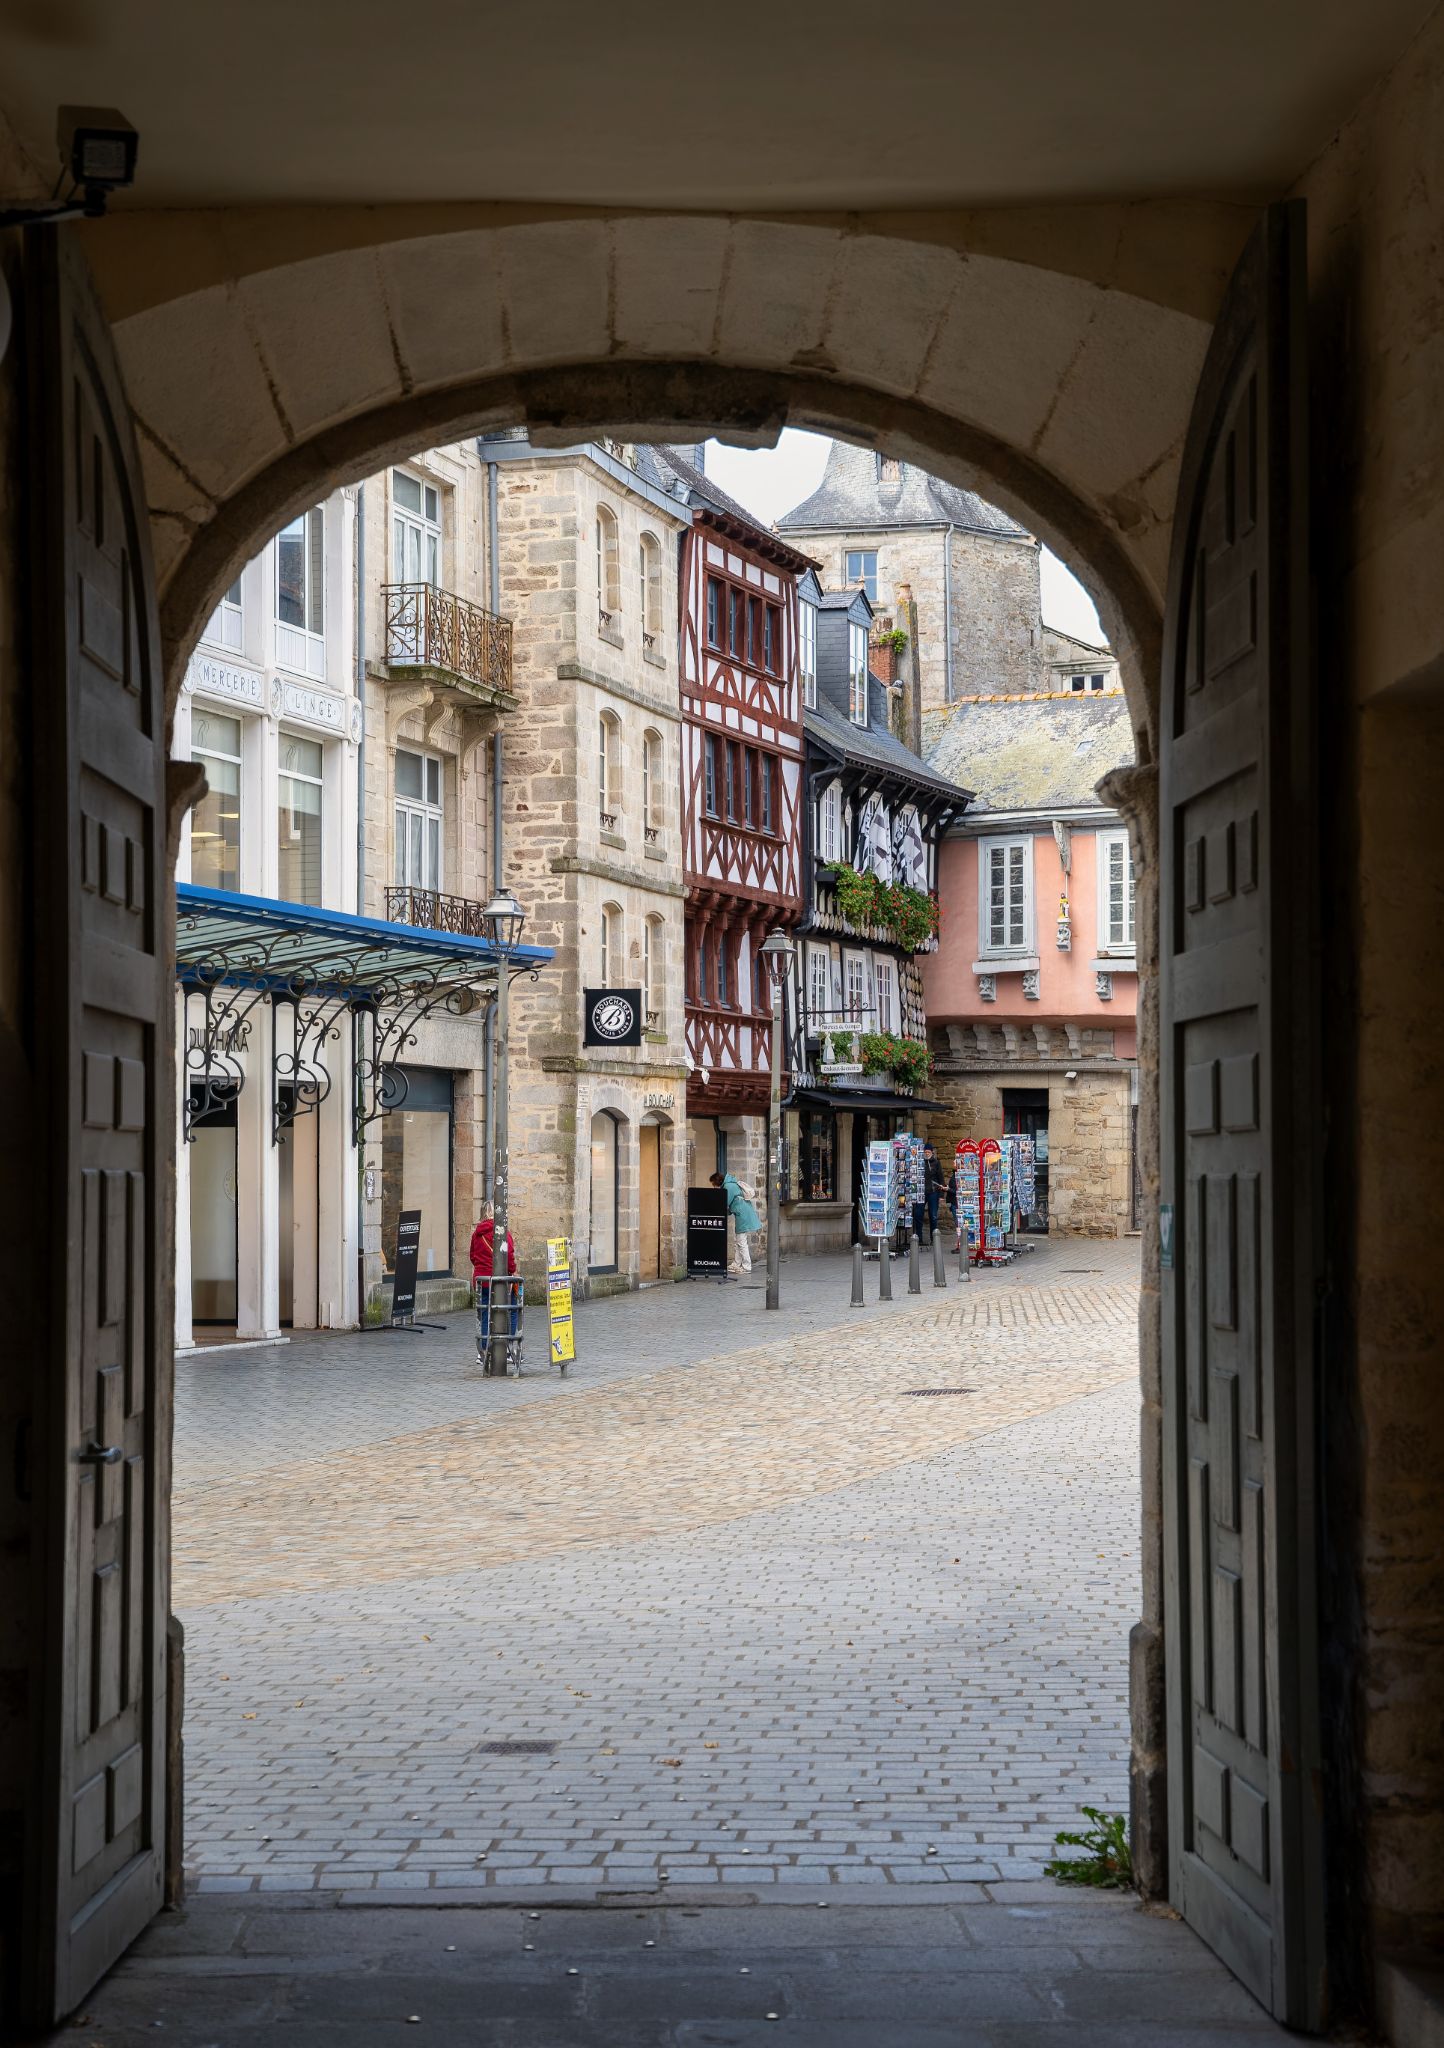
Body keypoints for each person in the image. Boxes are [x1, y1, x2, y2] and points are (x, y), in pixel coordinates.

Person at [470, 1205, 519, 1341]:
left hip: (481, 1280)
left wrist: (482, 1268)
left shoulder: (477, 1234)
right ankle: (508, 1347)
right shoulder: (502, 1231)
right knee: (512, 1309)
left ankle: (484, 1350)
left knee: (484, 1313)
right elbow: (508, 1254)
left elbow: (473, 1257)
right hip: (499, 1280)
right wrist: (513, 1270)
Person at [711, 1168, 761, 1274]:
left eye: (713, 1184)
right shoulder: (730, 1184)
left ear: (717, 1181)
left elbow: (725, 1203)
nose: (714, 1187)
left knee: (741, 1241)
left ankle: (747, 1266)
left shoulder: (728, 1186)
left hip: (742, 1214)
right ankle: (737, 1263)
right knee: (738, 1240)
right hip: (743, 1213)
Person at [916, 1141, 946, 1245]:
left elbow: (941, 1178)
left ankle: (934, 1239)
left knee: (933, 1216)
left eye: (929, 1152)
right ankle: (918, 1239)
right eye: (926, 1152)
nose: (927, 1153)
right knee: (918, 1215)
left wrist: (941, 1195)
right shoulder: (920, 1163)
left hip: (933, 1192)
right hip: (921, 1192)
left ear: (932, 1152)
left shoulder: (936, 1163)